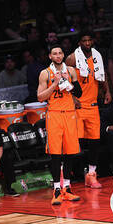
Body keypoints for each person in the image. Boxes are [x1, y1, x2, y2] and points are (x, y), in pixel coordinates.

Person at [37, 45, 83, 205]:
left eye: (60, 53)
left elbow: (79, 93)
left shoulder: (70, 71)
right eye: (54, 53)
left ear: (63, 55)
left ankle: (68, 188)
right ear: (50, 56)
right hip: (54, 115)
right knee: (55, 153)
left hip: (70, 114)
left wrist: (69, 84)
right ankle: (57, 189)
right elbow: (40, 97)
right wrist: (54, 83)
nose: (58, 56)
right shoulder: (45, 73)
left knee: (70, 152)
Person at [65, 35, 111, 189]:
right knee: (73, 142)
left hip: (92, 105)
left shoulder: (97, 56)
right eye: (84, 41)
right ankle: (66, 176)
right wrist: (71, 97)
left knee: (94, 142)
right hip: (77, 106)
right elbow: (62, 78)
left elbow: (103, 75)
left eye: (89, 40)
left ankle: (91, 174)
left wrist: (107, 91)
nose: (87, 43)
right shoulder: (72, 58)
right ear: (79, 43)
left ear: (93, 41)